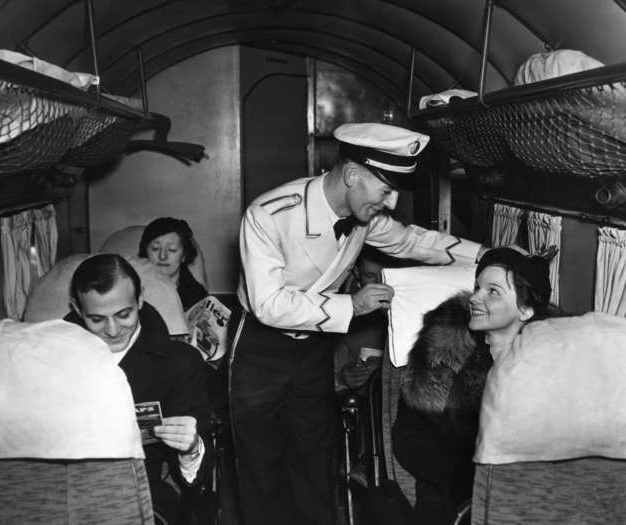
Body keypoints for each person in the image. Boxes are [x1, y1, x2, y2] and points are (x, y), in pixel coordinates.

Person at [229, 122, 487, 525]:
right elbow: (269, 305)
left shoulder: (362, 216)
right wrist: (351, 305)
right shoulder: (268, 215)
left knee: (316, 455)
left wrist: (489, 257)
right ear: (351, 175)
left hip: (314, 344)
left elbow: (413, 241)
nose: (392, 200)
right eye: (385, 189)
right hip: (261, 346)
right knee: (262, 461)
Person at [392, 246, 557, 524]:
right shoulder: (441, 349)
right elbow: (409, 438)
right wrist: (475, 486)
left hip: (527, 496)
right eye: (477, 287)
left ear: (526, 310)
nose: (476, 298)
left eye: (493, 292)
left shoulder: (551, 360)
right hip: (449, 498)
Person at [64, 253, 210, 524]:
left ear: (140, 300)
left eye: (123, 315)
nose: (112, 330)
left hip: (145, 489)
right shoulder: (55, 358)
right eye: (96, 319)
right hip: (68, 486)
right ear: (77, 309)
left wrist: (190, 448)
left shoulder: (179, 363)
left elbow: (189, 480)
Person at [333, 244, 388, 394]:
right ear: (357, 273)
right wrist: (344, 378)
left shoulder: (416, 308)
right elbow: (325, 376)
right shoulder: (342, 313)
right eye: (370, 276)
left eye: (386, 275)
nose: (379, 284)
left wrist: (386, 370)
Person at [138, 217, 209, 311]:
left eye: (172, 250)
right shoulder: (133, 286)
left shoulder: (195, 293)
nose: (162, 256)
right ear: (145, 251)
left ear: (184, 255)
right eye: (155, 248)